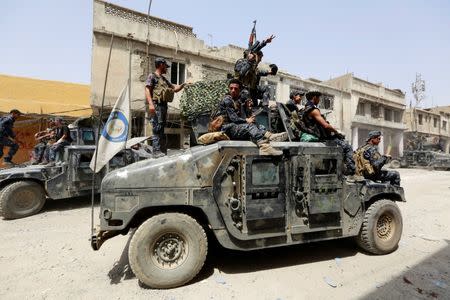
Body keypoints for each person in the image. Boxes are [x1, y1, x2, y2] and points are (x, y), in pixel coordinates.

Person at [211, 79, 287, 155]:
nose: (233, 90)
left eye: (236, 89)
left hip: (233, 127)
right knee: (250, 126)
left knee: (256, 125)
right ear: (228, 89)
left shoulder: (237, 101)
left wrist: (248, 111)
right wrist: (247, 120)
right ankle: (264, 147)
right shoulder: (227, 100)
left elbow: (241, 117)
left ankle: (270, 136)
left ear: (239, 90)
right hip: (227, 128)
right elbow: (234, 119)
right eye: (231, 88)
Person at [302, 91, 355, 175]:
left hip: (317, 135)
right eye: (318, 98)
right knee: (348, 147)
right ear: (314, 97)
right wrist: (336, 132)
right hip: (322, 138)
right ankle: (351, 172)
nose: (319, 100)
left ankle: (334, 170)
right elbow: (326, 126)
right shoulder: (314, 110)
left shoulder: (305, 109)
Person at [145, 57, 187, 158]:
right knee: (157, 128)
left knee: (162, 128)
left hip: (163, 106)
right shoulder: (152, 76)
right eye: (165, 66)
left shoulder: (163, 79)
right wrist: (150, 104)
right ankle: (156, 151)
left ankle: (161, 150)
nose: (166, 69)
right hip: (156, 105)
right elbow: (147, 89)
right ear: (161, 65)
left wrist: (183, 85)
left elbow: (174, 89)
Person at [234, 35, 278, 108]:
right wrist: (249, 62)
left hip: (252, 91)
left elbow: (259, 72)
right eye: (259, 58)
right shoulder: (241, 62)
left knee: (265, 89)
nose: (260, 60)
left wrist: (270, 72)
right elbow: (241, 73)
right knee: (248, 98)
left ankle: (265, 106)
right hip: (241, 90)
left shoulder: (254, 67)